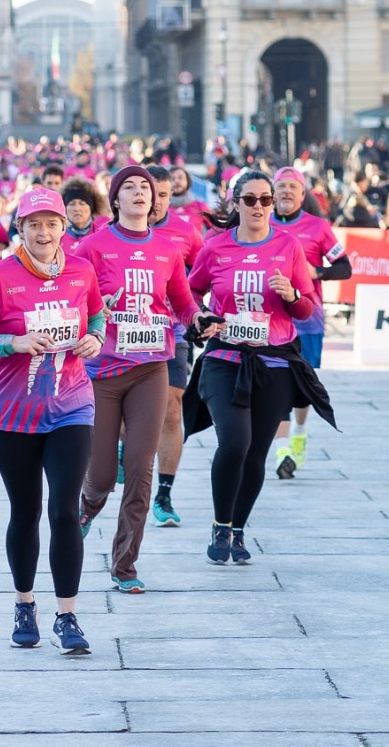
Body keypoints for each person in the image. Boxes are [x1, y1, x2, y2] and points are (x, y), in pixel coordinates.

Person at [0, 187, 104, 654]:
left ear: (64, 227)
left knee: (63, 511)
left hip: (72, 407)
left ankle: (68, 616)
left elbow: (96, 317)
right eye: (33, 224)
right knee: (27, 511)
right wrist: (10, 344)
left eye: (51, 223)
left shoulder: (81, 270)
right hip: (15, 416)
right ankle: (24, 603)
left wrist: (95, 340)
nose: (43, 232)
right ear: (20, 228)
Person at [76, 166, 214, 592]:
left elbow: (182, 301)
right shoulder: (92, 246)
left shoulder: (167, 248)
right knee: (100, 475)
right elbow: (72, 296)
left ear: (155, 201)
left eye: (146, 189)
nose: (139, 194)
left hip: (151, 368)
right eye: (129, 188)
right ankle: (86, 506)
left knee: (140, 469)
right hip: (101, 372)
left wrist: (199, 319)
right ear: (115, 200)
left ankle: (125, 564)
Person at [186, 169, 331, 566]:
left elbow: (307, 310)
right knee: (234, 442)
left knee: (255, 456)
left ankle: (237, 529)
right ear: (235, 203)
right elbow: (190, 291)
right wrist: (199, 316)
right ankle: (219, 523)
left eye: (265, 199)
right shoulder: (215, 247)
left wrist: (294, 294)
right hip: (224, 357)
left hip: (273, 363)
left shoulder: (288, 246)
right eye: (249, 199)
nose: (258, 206)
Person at [270, 165, 352, 477]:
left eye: (293, 187)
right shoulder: (261, 225)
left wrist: (315, 271)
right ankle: (282, 453)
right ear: (273, 193)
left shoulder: (317, 227)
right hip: (271, 322)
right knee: (278, 387)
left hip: (308, 322)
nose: (287, 192)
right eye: (282, 186)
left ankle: (299, 436)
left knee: (302, 387)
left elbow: (344, 268)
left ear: (303, 194)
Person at [145, 164, 204, 527]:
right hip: (122, 339)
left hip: (172, 332)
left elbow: (203, 273)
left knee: (170, 408)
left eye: (163, 195)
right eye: (150, 193)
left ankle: (164, 495)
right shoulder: (108, 233)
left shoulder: (185, 232)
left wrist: (194, 310)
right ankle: (122, 446)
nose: (154, 202)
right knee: (122, 414)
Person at [59, 179, 105, 257]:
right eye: (71, 204)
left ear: (92, 208)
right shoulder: (57, 235)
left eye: (82, 203)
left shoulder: (102, 233)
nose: (77, 209)